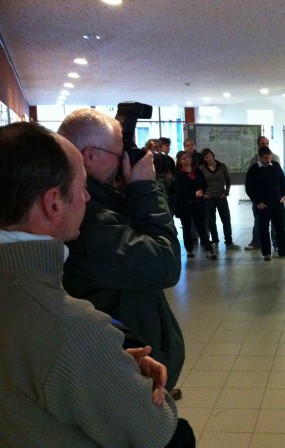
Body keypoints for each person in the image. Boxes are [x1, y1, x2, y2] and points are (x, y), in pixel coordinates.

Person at [0, 122, 194, 447]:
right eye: (82, 187)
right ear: (53, 203)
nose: (88, 197)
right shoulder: (72, 329)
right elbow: (158, 431)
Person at [57, 109, 185, 399]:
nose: (124, 160)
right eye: (119, 153)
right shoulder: (93, 220)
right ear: (90, 156)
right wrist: (145, 189)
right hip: (121, 369)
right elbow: (165, 264)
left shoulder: (98, 202)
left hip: (121, 354)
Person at [245, 145, 285, 261]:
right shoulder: (253, 170)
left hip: (278, 203)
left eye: (270, 158)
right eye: (265, 158)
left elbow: (282, 180)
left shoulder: (276, 165)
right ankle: (267, 253)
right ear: (259, 157)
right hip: (263, 205)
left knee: (280, 228)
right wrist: (257, 202)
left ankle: (283, 251)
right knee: (263, 229)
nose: (268, 160)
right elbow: (249, 188)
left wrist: (284, 195)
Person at [174, 150, 217, 259]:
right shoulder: (178, 173)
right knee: (187, 227)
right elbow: (178, 190)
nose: (186, 160)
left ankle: (209, 250)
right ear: (179, 161)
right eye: (183, 159)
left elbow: (204, 184)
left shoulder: (197, 170)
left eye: (188, 158)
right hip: (185, 205)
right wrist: (193, 194)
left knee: (201, 227)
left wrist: (202, 191)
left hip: (198, 204)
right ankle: (189, 249)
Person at [198, 147, 241, 250]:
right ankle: (215, 241)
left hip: (221, 197)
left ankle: (229, 242)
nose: (209, 159)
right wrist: (203, 194)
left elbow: (228, 180)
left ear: (213, 155)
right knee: (211, 221)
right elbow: (199, 183)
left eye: (210, 156)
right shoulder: (201, 169)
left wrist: (226, 192)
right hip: (209, 198)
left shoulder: (222, 166)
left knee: (226, 219)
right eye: (206, 157)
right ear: (204, 159)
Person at [245, 135, 280, 251]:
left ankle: (276, 244)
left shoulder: (275, 158)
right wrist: (256, 199)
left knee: (275, 222)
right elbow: (250, 181)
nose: (264, 145)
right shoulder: (253, 160)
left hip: (273, 198)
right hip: (259, 198)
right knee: (259, 221)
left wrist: (282, 195)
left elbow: (279, 178)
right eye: (262, 144)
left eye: (266, 143)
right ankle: (256, 242)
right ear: (258, 145)